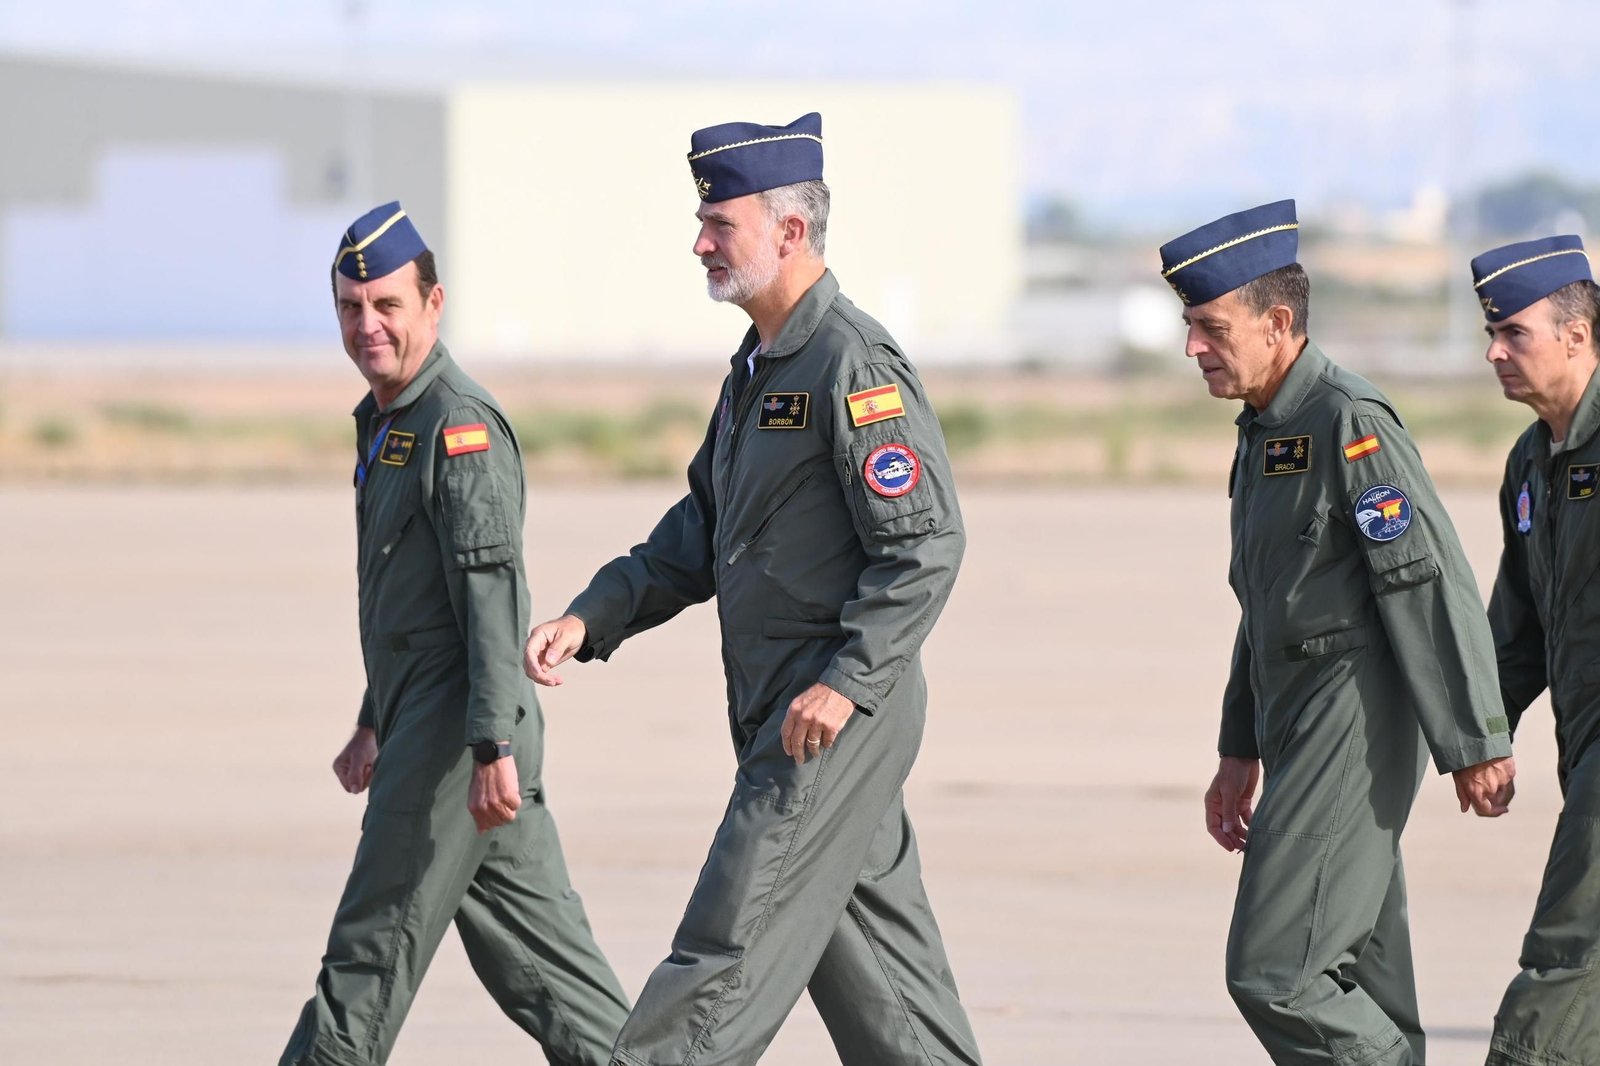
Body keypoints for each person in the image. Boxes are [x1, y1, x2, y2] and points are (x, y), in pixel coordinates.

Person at [522, 113, 984, 1066]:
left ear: (789, 231)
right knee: (885, 985)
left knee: (726, 947)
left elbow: (926, 545)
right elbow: (701, 529)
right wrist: (591, 615)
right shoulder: (758, 369)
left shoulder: (852, 365)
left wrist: (847, 681)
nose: (699, 241)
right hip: (784, 703)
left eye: (717, 221)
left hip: (827, 715)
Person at [1166, 199, 1516, 1065]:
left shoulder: (1348, 422)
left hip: (1351, 713)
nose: (1192, 348)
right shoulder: (1264, 432)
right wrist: (1237, 746)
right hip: (1292, 716)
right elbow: (1266, 603)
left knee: (1278, 971)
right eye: (1189, 327)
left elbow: (1426, 580)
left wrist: (1474, 737)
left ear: (1277, 321)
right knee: (1360, 973)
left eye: (1211, 327)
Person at [279, 202, 630, 1066]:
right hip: (438, 722)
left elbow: (488, 597)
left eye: (388, 306)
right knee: (552, 979)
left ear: (434, 306)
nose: (369, 327)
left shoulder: (457, 427)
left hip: (460, 735)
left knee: (366, 959)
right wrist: (372, 717)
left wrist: (489, 743)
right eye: (351, 309)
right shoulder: (389, 420)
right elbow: (406, 596)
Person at [1477, 235, 1600, 1066]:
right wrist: (1474, 736)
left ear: (1578, 335)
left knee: (1563, 959)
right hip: (1579, 743)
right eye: (1490, 334)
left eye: (1514, 333)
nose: (1493, 353)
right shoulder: (1531, 461)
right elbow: (1514, 635)